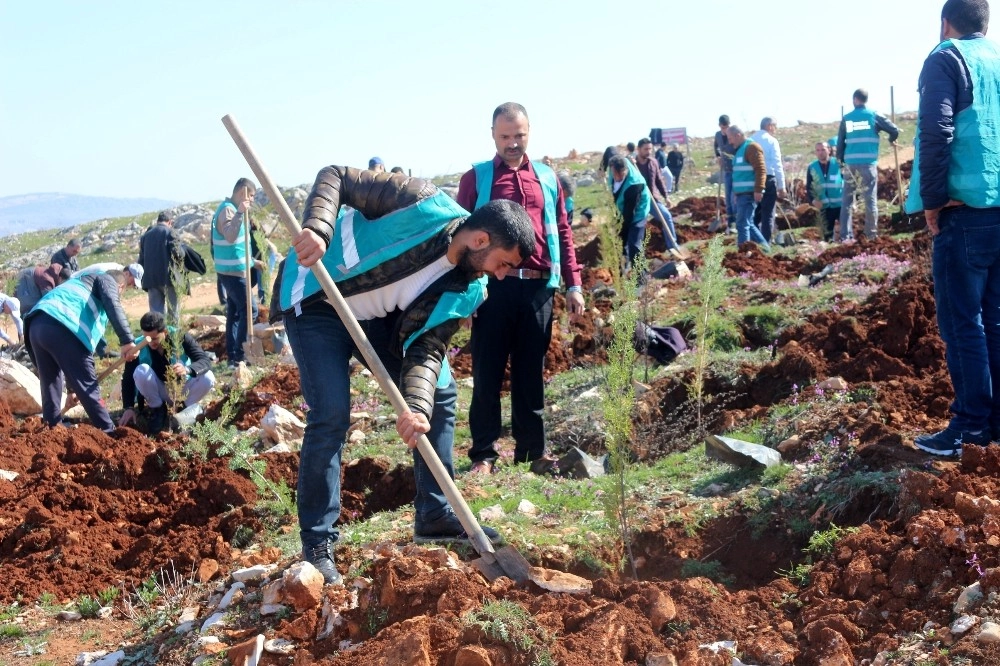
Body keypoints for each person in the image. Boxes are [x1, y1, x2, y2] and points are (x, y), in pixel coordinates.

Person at [272, 166, 533, 584]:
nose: (500, 275)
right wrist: (318, 229)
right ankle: (318, 544)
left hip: (376, 318)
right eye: (502, 264)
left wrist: (416, 408)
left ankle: (434, 513)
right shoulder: (419, 201)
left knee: (440, 395)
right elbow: (337, 176)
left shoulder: (469, 287)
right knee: (332, 415)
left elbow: (426, 348)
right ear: (480, 240)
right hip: (318, 296)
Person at [456, 102, 585, 476]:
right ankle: (484, 455)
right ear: (493, 136)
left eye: (519, 135)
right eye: (505, 136)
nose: (513, 143)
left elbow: (562, 230)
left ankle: (533, 453)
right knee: (487, 372)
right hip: (492, 288)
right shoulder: (476, 179)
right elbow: (458, 235)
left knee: (531, 373)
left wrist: (573, 283)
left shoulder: (548, 178)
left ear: (529, 132)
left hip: (537, 290)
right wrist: (464, 293)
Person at [905, 0, 1000, 455]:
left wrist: (934, 199)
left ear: (946, 23)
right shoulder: (997, 60)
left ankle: (970, 427)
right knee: (994, 321)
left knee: (963, 323)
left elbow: (936, 128)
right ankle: (994, 423)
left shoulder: (946, 57)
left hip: (964, 215)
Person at [24, 270, 137, 433]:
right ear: (120, 286)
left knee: (50, 384)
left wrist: (72, 390)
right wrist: (127, 340)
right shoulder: (106, 278)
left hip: (36, 326)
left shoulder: (78, 283)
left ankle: (51, 432)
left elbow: (73, 361)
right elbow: (112, 301)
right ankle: (109, 432)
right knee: (88, 388)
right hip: (62, 327)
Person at [119, 311, 216, 434]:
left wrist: (187, 369)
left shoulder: (180, 336)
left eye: (154, 338)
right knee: (141, 370)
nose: (151, 343)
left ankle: (184, 408)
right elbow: (128, 377)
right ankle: (157, 410)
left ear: (164, 332)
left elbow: (204, 360)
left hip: (182, 388)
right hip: (159, 390)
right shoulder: (139, 345)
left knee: (208, 377)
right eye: (147, 338)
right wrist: (129, 407)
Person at [837, 88, 901, 240]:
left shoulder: (847, 118)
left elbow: (840, 144)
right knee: (870, 200)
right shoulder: (873, 115)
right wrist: (891, 140)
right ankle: (871, 235)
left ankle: (845, 236)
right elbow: (894, 130)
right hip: (868, 164)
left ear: (855, 99)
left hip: (851, 165)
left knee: (846, 201)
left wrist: (841, 163)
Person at [211, 178, 259, 366]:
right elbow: (230, 236)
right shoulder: (228, 210)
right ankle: (239, 356)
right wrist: (240, 212)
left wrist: (254, 262)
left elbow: (238, 245)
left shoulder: (231, 209)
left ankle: (232, 356)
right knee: (250, 311)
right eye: (252, 196)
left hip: (233, 270)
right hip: (232, 273)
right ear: (242, 194)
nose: (253, 200)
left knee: (235, 314)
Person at [635, 138, 681, 255]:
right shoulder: (632, 164)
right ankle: (634, 254)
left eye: (650, 149)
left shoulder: (653, 162)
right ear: (638, 149)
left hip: (652, 200)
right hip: (637, 202)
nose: (648, 151)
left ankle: (673, 245)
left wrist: (666, 197)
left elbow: (659, 180)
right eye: (645, 149)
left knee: (666, 216)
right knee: (636, 227)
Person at [726, 125, 770, 250]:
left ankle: (743, 253)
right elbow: (739, 174)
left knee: (742, 224)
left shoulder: (751, 147)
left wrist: (759, 189)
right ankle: (766, 249)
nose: (729, 142)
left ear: (738, 135)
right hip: (741, 194)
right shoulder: (740, 150)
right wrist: (735, 192)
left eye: (730, 138)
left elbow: (761, 170)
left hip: (749, 194)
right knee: (748, 224)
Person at [138, 211, 184, 322]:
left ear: (158, 221)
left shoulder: (145, 236)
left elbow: (141, 259)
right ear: (170, 222)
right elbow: (178, 254)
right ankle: (173, 337)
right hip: (169, 279)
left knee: (156, 315)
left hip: (151, 280)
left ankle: (158, 337)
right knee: (173, 313)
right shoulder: (171, 233)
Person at [608, 155, 652, 270]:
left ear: (626, 170)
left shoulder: (634, 184)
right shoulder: (613, 167)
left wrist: (621, 232)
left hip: (638, 212)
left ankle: (642, 277)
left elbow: (629, 215)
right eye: (614, 174)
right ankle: (624, 271)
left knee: (634, 244)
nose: (616, 177)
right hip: (621, 208)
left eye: (620, 174)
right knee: (619, 243)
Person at [750, 118, 786, 243]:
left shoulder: (750, 140)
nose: (775, 130)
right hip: (768, 178)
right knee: (768, 214)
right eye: (775, 127)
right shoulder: (772, 141)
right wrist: (782, 186)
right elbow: (777, 164)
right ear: (770, 126)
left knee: (753, 212)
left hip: (753, 179)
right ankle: (766, 242)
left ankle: (753, 241)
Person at [806, 141, 844, 241]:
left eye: (823, 149)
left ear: (829, 150)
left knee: (844, 234)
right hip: (824, 207)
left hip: (841, 205)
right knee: (827, 236)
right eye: (818, 150)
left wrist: (852, 200)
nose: (820, 152)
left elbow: (849, 182)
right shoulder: (812, 167)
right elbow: (809, 187)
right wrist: (813, 201)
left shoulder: (839, 164)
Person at [715, 115, 737, 233]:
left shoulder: (734, 135)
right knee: (728, 198)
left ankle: (738, 223)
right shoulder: (718, 135)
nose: (725, 129)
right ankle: (730, 224)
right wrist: (718, 157)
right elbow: (716, 147)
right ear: (720, 126)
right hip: (727, 171)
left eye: (727, 127)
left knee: (734, 198)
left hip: (736, 171)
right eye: (723, 127)